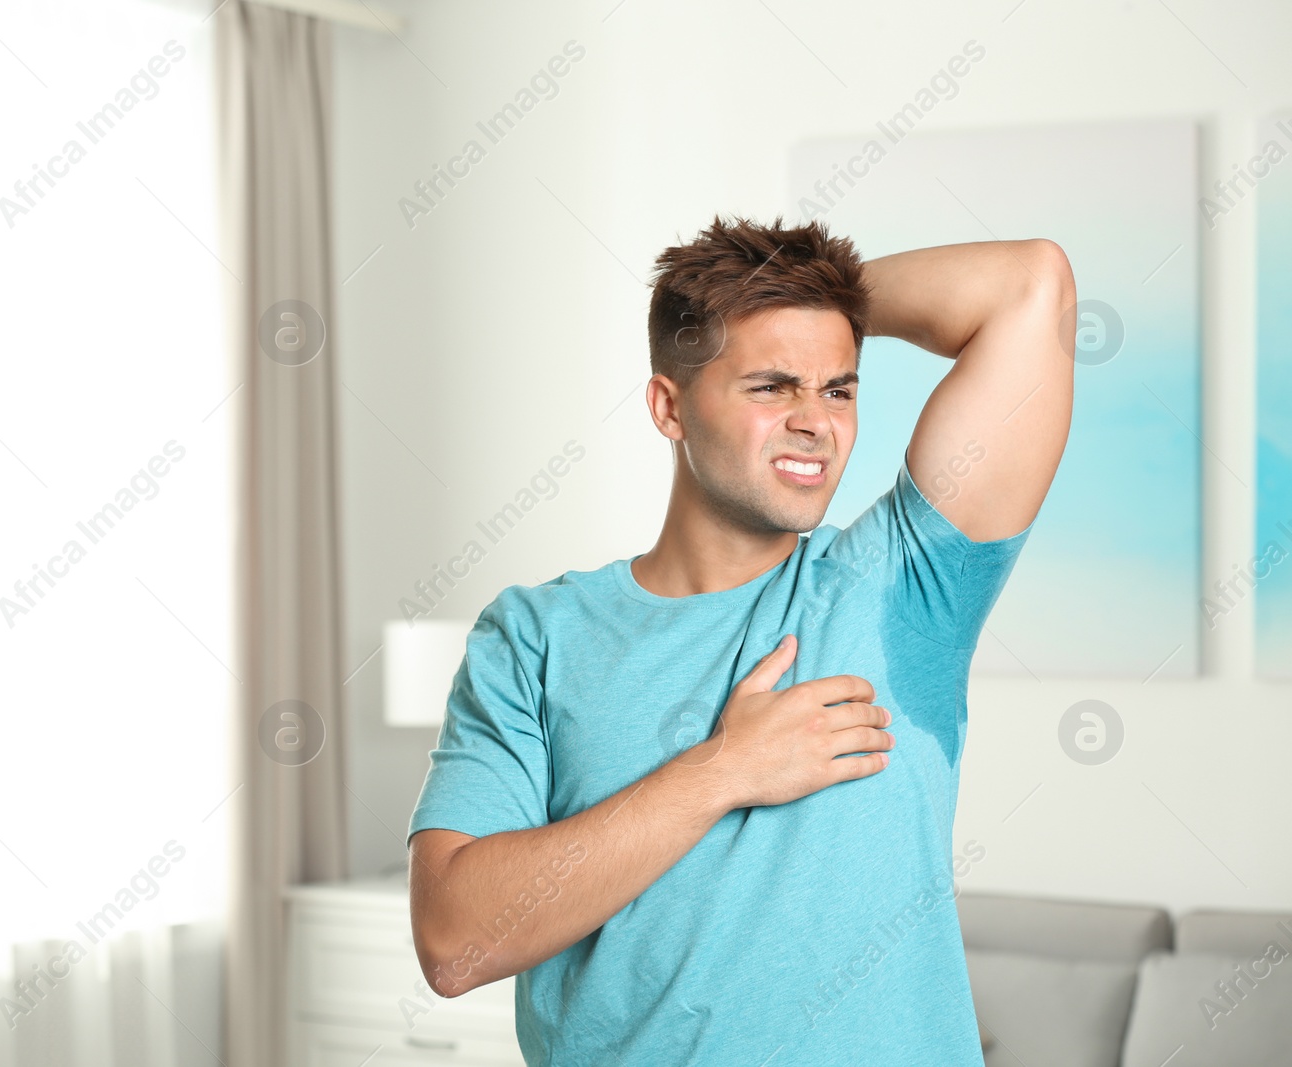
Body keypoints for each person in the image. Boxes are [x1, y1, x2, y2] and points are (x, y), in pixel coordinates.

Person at [404, 214, 1075, 1065]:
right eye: (771, 386)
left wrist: (816, 294)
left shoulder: (901, 588)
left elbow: (1033, 286)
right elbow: (454, 942)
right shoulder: (534, 635)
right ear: (669, 405)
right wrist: (723, 772)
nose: (816, 422)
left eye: (839, 387)